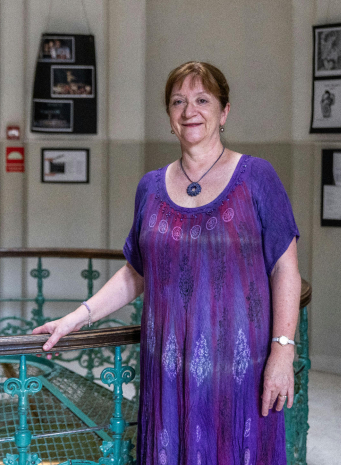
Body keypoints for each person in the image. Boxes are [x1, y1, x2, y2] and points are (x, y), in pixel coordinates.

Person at [33, 61, 301, 465]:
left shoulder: (257, 177)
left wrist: (283, 351)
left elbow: (285, 269)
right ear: (169, 118)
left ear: (224, 112)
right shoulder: (150, 188)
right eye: (178, 102)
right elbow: (135, 273)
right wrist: (75, 318)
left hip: (241, 373)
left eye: (202, 100)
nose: (190, 111)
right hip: (168, 376)